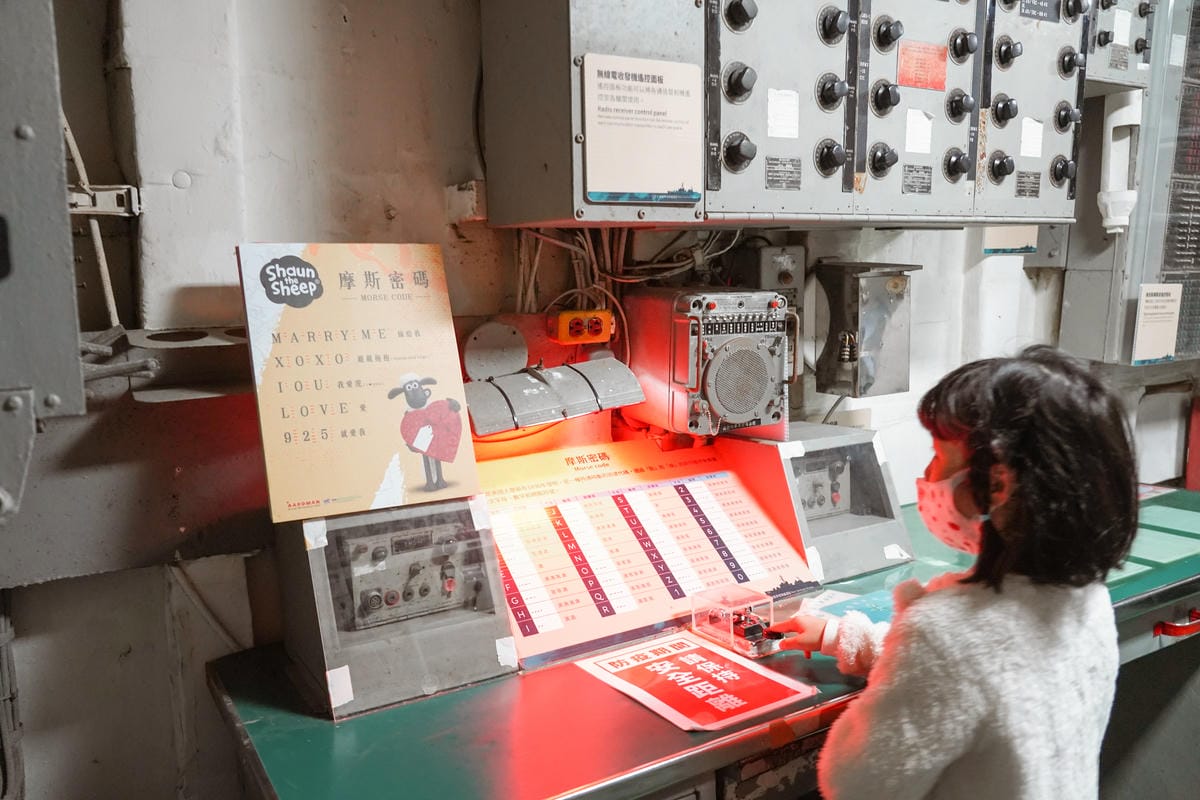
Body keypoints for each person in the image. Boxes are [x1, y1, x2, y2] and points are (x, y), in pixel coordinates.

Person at [770, 345, 1138, 800]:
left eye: (939, 457)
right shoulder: (1086, 596)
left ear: (998, 482)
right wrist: (840, 635)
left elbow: (854, 782)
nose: (926, 476)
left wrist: (905, 651)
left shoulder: (944, 632)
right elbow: (988, 671)